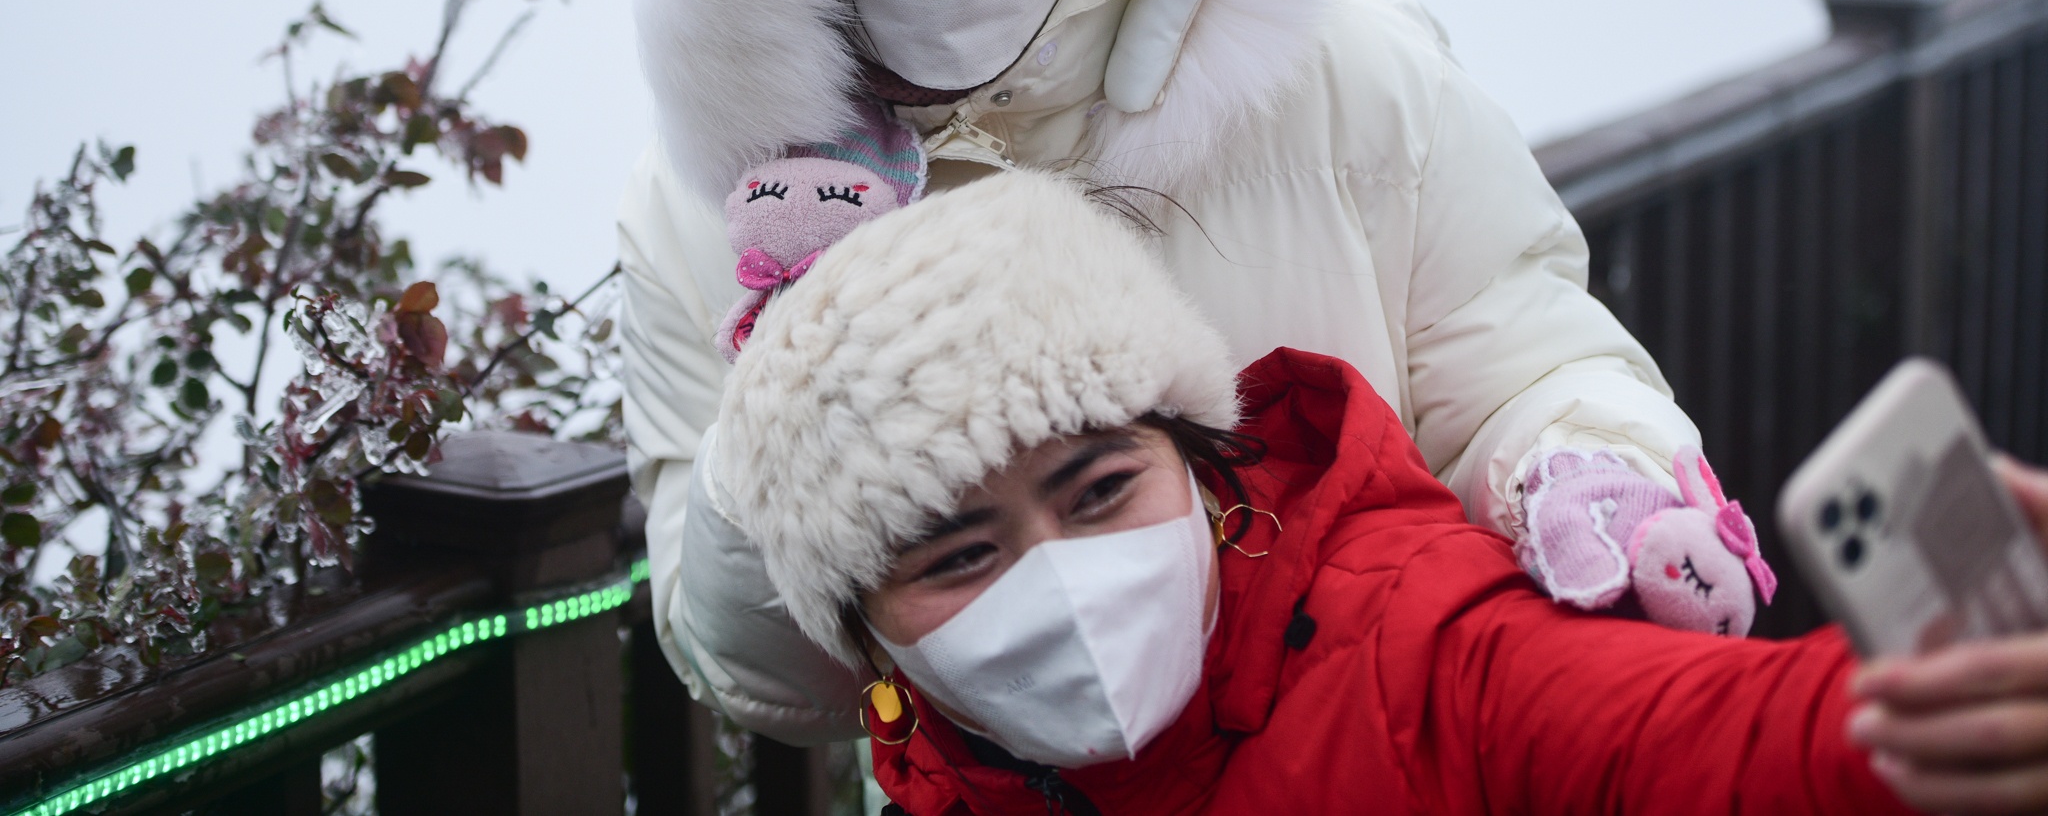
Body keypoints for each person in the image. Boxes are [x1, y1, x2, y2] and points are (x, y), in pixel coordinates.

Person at [625, 0, 1712, 739]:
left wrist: (1584, 474)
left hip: (1390, 753)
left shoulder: (1336, 65)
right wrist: (787, 379)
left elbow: (1518, 353)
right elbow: (763, 682)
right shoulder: (709, 209)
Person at [715, 170, 2048, 816]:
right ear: (869, 634)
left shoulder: (1414, 640)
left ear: (1199, 465)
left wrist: (1912, 730)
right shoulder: (953, 782)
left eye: (1099, 484)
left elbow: (1687, 734)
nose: (1059, 570)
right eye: (961, 556)